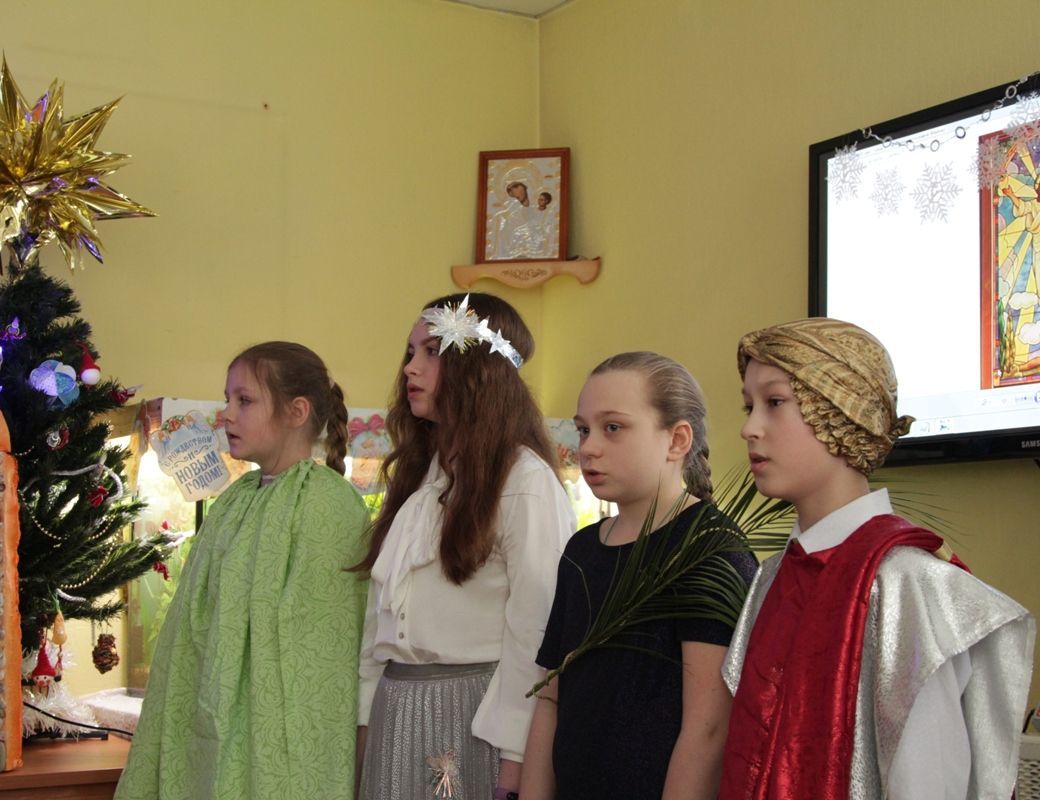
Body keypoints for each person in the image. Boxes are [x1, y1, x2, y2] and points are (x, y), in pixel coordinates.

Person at [720, 317, 1035, 800]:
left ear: (841, 410)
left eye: (775, 402)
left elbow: (926, 784)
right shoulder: (772, 577)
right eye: (749, 405)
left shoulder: (907, 585)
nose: (749, 427)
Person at [115, 342, 369, 800]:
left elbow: (322, 650)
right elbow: (188, 625)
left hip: (281, 738)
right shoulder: (235, 499)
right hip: (214, 718)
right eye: (227, 399)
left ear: (296, 412)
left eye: (244, 400)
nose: (226, 414)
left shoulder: (330, 505)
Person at [355, 293, 576, 800]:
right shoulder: (418, 479)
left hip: (475, 717)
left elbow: (535, 631)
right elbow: (377, 621)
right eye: (411, 352)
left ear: (478, 368)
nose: (410, 368)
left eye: (432, 351)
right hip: (394, 710)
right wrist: (366, 724)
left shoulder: (524, 481)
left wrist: (516, 760)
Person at [520, 352, 758, 799]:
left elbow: (708, 728)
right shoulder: (581, 550)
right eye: (584, 429)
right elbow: (550, 698)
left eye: (613, 427)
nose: (588, 447)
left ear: (677, 440)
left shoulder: (708, 546)